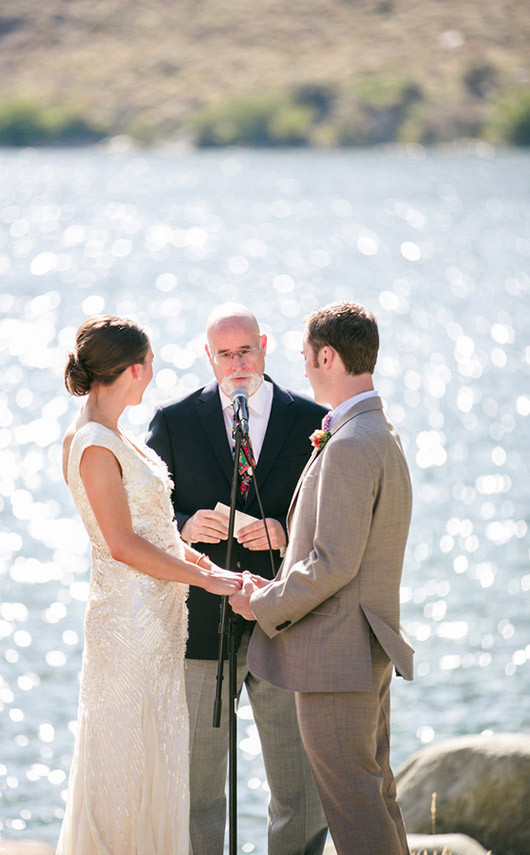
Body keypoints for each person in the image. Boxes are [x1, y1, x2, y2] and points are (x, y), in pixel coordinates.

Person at [230, 302, 414, 855]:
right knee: (374, 797)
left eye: (307, 358)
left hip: (337, 658)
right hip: (365, 648)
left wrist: (262, 602)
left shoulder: (352, 444)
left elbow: (333, 563)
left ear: (327, 356)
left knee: (355, 807)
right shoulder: (378, 431)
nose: (305, 369)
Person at [146, 304, 328, 855]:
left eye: (245, 350)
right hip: (201, 630)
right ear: (209, 356)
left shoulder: (313, 420)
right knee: (198, 793)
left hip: (286, 624)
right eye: (224, 354)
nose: (236, 363)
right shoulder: (174, 421)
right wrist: (183, 523)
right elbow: (146, 515)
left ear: (265, 346)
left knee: (298, 793)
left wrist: (284, 530)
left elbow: (332, 519)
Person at [57, 316, 241, 855]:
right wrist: (204, 582)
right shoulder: (93, 445)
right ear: (134, 370)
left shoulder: (114, 434)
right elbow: (122, 545)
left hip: (159, 625)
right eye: (152, 362)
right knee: (126, 763)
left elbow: (155, 532)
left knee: (159, 756)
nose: (154, 372)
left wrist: (212, 571)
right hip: (130, 629)